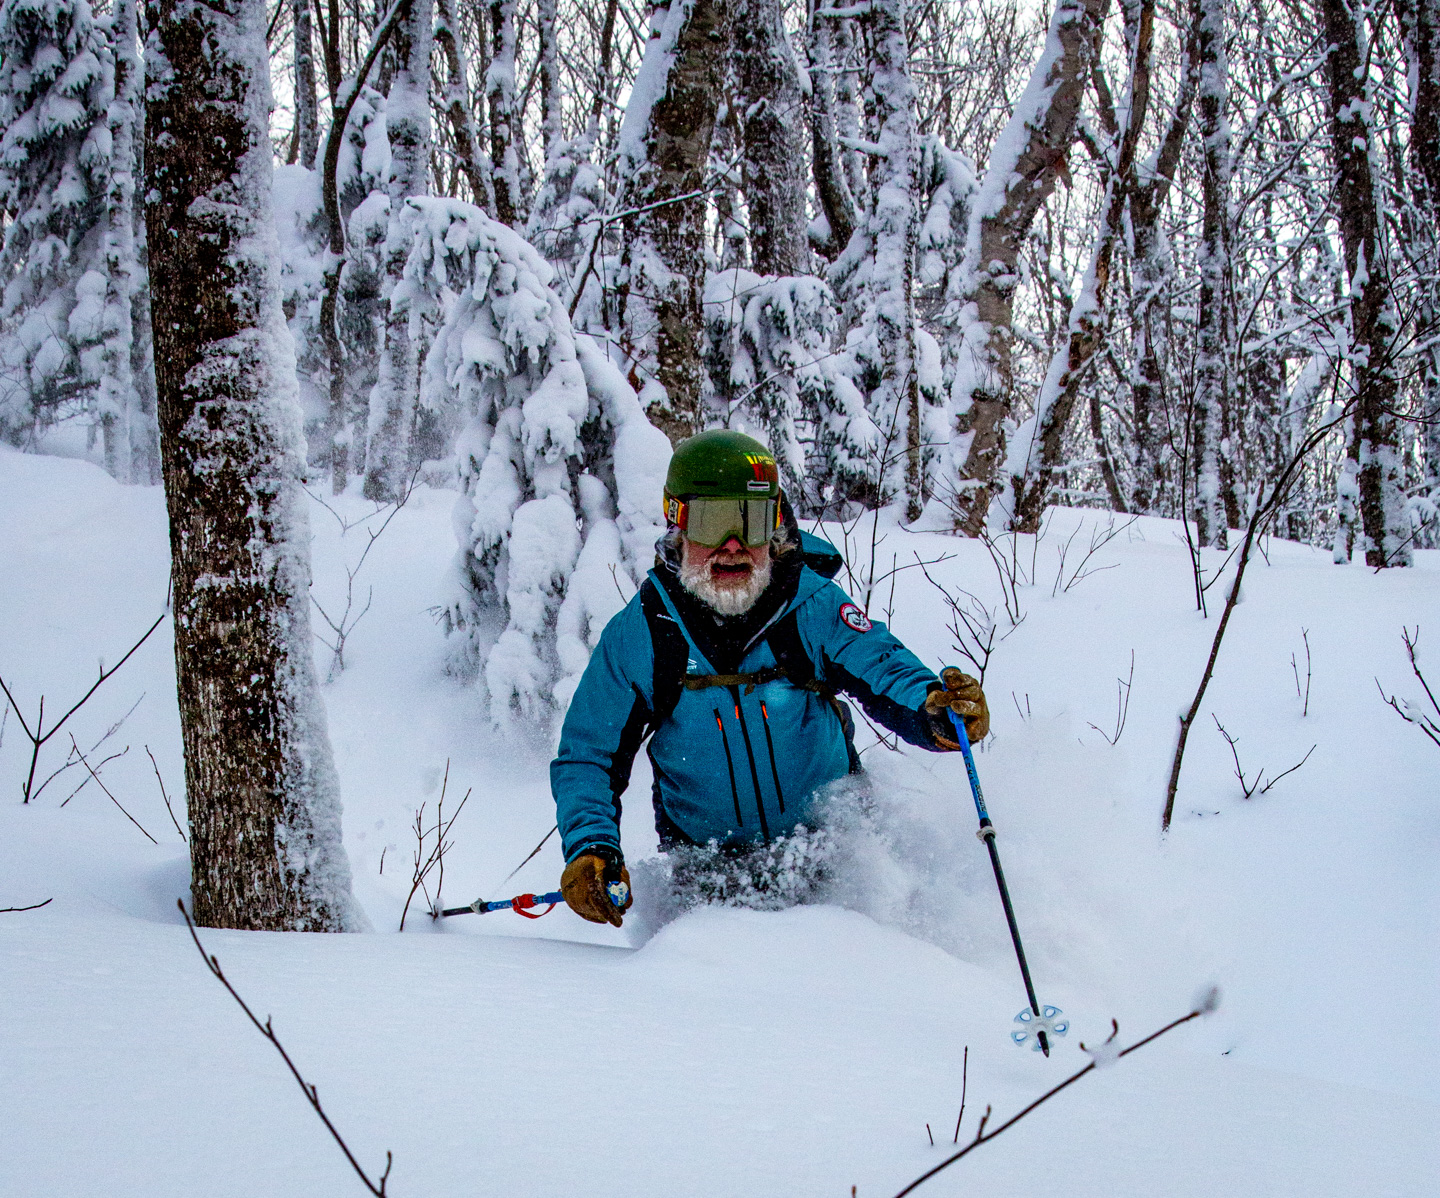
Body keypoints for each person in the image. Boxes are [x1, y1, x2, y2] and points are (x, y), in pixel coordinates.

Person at [551, 430, 990, 926]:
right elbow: (589, 754)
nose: (733, 546)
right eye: (715, 522)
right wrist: (592, 846)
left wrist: (934, 709)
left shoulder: (811, 605)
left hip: (835, 858)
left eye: (752, 522)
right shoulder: (645, 635)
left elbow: (882, 663)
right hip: (707, 877)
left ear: (776, 525)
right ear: (678, 522)